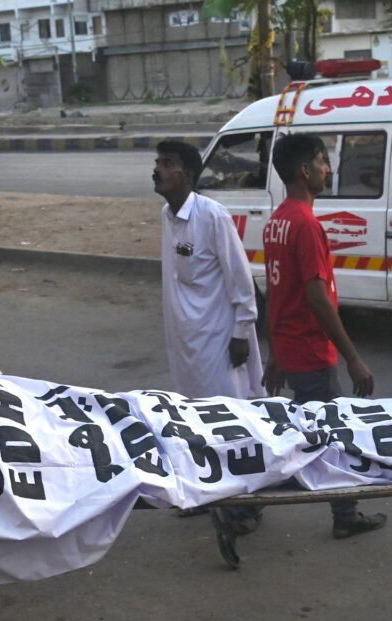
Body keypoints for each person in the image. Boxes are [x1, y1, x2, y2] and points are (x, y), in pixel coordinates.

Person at [261, 133, 387, 540]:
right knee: (319, 441)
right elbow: (315, 298)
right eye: (322, 161)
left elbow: (281, 293)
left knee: (314, 436)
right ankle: (240, 508)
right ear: (304, 169)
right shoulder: (305, 224)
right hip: (313, 353)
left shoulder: (278, 220)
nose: (327, 169)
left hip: (293, 350)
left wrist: (275, 353)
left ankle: (344, 511)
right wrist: (353, 357)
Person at [153, 140, 265, 542]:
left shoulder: (212, 217)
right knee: (193, 424)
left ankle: (246, 507)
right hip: (185, 347)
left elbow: (242, 282)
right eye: (158, 163)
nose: (157, 170)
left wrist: (241, 334)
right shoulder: (167, 216)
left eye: (166, 164)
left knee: (230, 427)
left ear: (186, 173)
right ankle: (205, 496)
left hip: (219, 344)